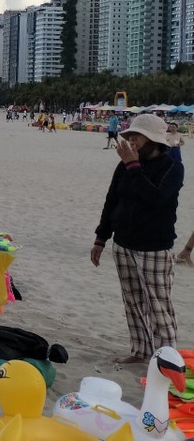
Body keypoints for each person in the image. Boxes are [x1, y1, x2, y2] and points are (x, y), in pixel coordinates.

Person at [92, 113, 183, 364]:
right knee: (132, 301)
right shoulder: (124, 166)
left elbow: (155, 200)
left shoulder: (172, 166)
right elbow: (112, 201)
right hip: (123, 243)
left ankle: (167, 359)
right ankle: (142, 351)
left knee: (159, 305)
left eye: (137, 135)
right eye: (130, 135)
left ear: (153, 139)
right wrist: (101, 238)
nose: (131, 140)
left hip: (155, 247)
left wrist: (133, 165)